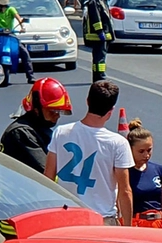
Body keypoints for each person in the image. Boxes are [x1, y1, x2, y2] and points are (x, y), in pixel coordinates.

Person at [45, 80, 134, 225]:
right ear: (111, 111)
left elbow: (48, 177)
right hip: (101, 220)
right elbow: (125, 191)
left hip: (67, 216)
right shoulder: (118, 143)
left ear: (87, 101)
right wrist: (128, 226)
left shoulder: (60, 132)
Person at [0, 78, 71, 174]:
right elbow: (47, 172)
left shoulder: (38, 128)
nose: (57, 115)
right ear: (37, 109)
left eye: (60, 111)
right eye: (53, 111)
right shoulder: (22, 133)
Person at [126, 120, 162, 229]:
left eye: (149, 150)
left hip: (159, 223)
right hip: (137, 224)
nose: (146, 155)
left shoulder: (158, 169)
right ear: (130, 149)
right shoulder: (125, 172)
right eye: (141, 151)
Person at [0, 0, 34, 84]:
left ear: (0, 2)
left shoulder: (11, 9)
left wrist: (22, 27)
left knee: (24, 52)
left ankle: (30, 76)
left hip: (11, 34)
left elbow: (18, 18)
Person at [82, 0, 115, 82]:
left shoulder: (101, 0)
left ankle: (97, 76)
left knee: (98, 58)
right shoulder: (94, 2)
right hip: (99, 35)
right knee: (100, 58)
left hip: (103, 34)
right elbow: (96, 18)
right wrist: (100, 32)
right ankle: (100, 76)